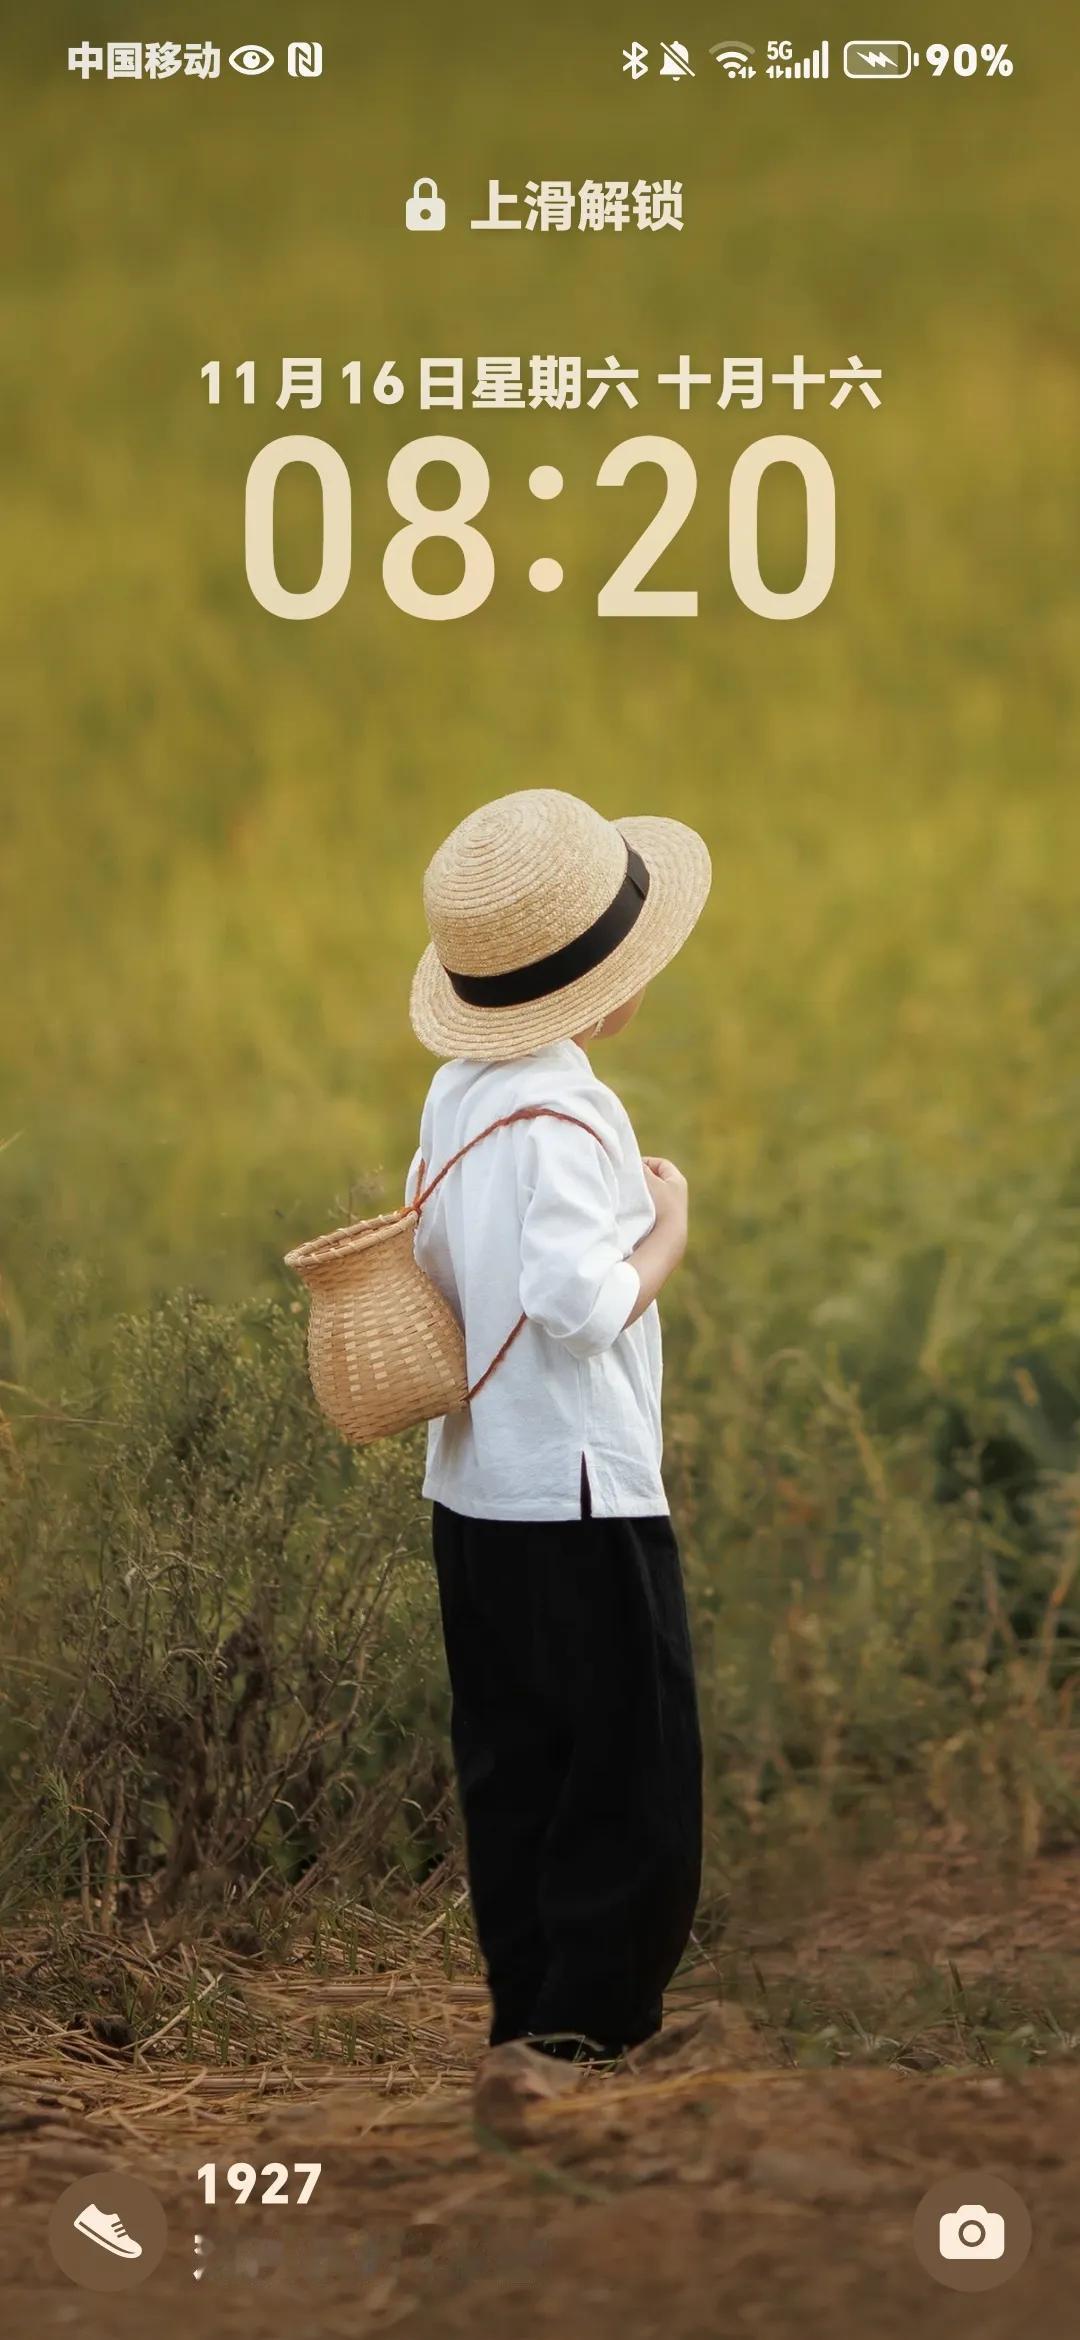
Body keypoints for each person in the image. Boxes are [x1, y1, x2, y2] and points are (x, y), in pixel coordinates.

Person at [405, 787, 711, 2073]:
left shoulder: (457, 1097)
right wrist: (669, 1234)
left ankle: (529, 2014)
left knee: (514, 1757)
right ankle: (593, 2031)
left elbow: (435, 1257)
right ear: (612, 990)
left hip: (474, 1489)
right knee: (628, 1763)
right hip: (581, 1492)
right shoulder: (576, 1113)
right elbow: (578, 1305)